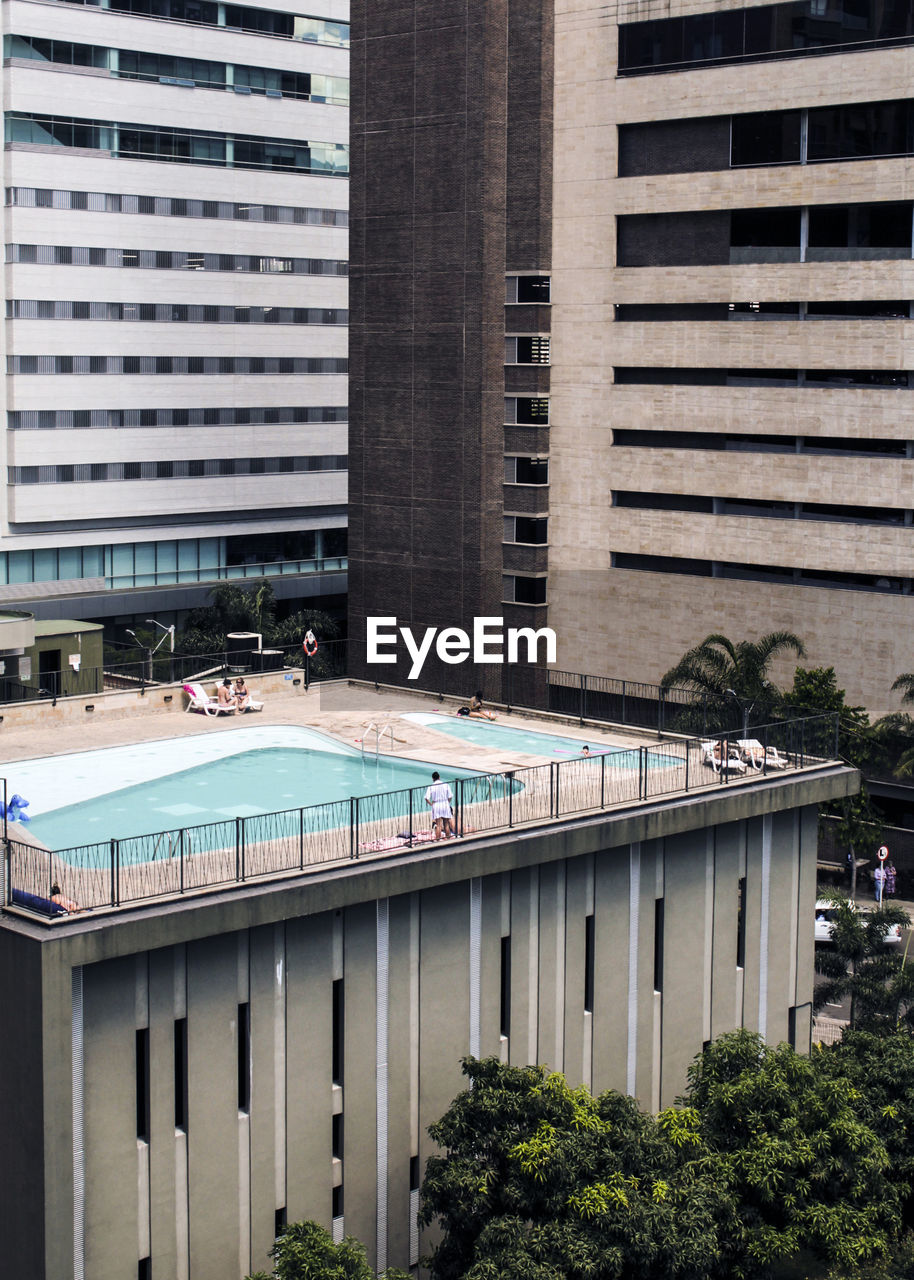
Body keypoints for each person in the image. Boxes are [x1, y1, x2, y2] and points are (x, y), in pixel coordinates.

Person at [424, 771, 455, 840]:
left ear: (433, 778)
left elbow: (426, 798)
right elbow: (450, 796)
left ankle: (437, 840)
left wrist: (431, 804)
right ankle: (448, 840)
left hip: (436, 804)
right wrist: (447, 802)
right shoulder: (446, 785)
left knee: (438, 825)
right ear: (439, 777)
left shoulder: (431, 786)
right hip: (445, 803)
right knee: (446, 824)